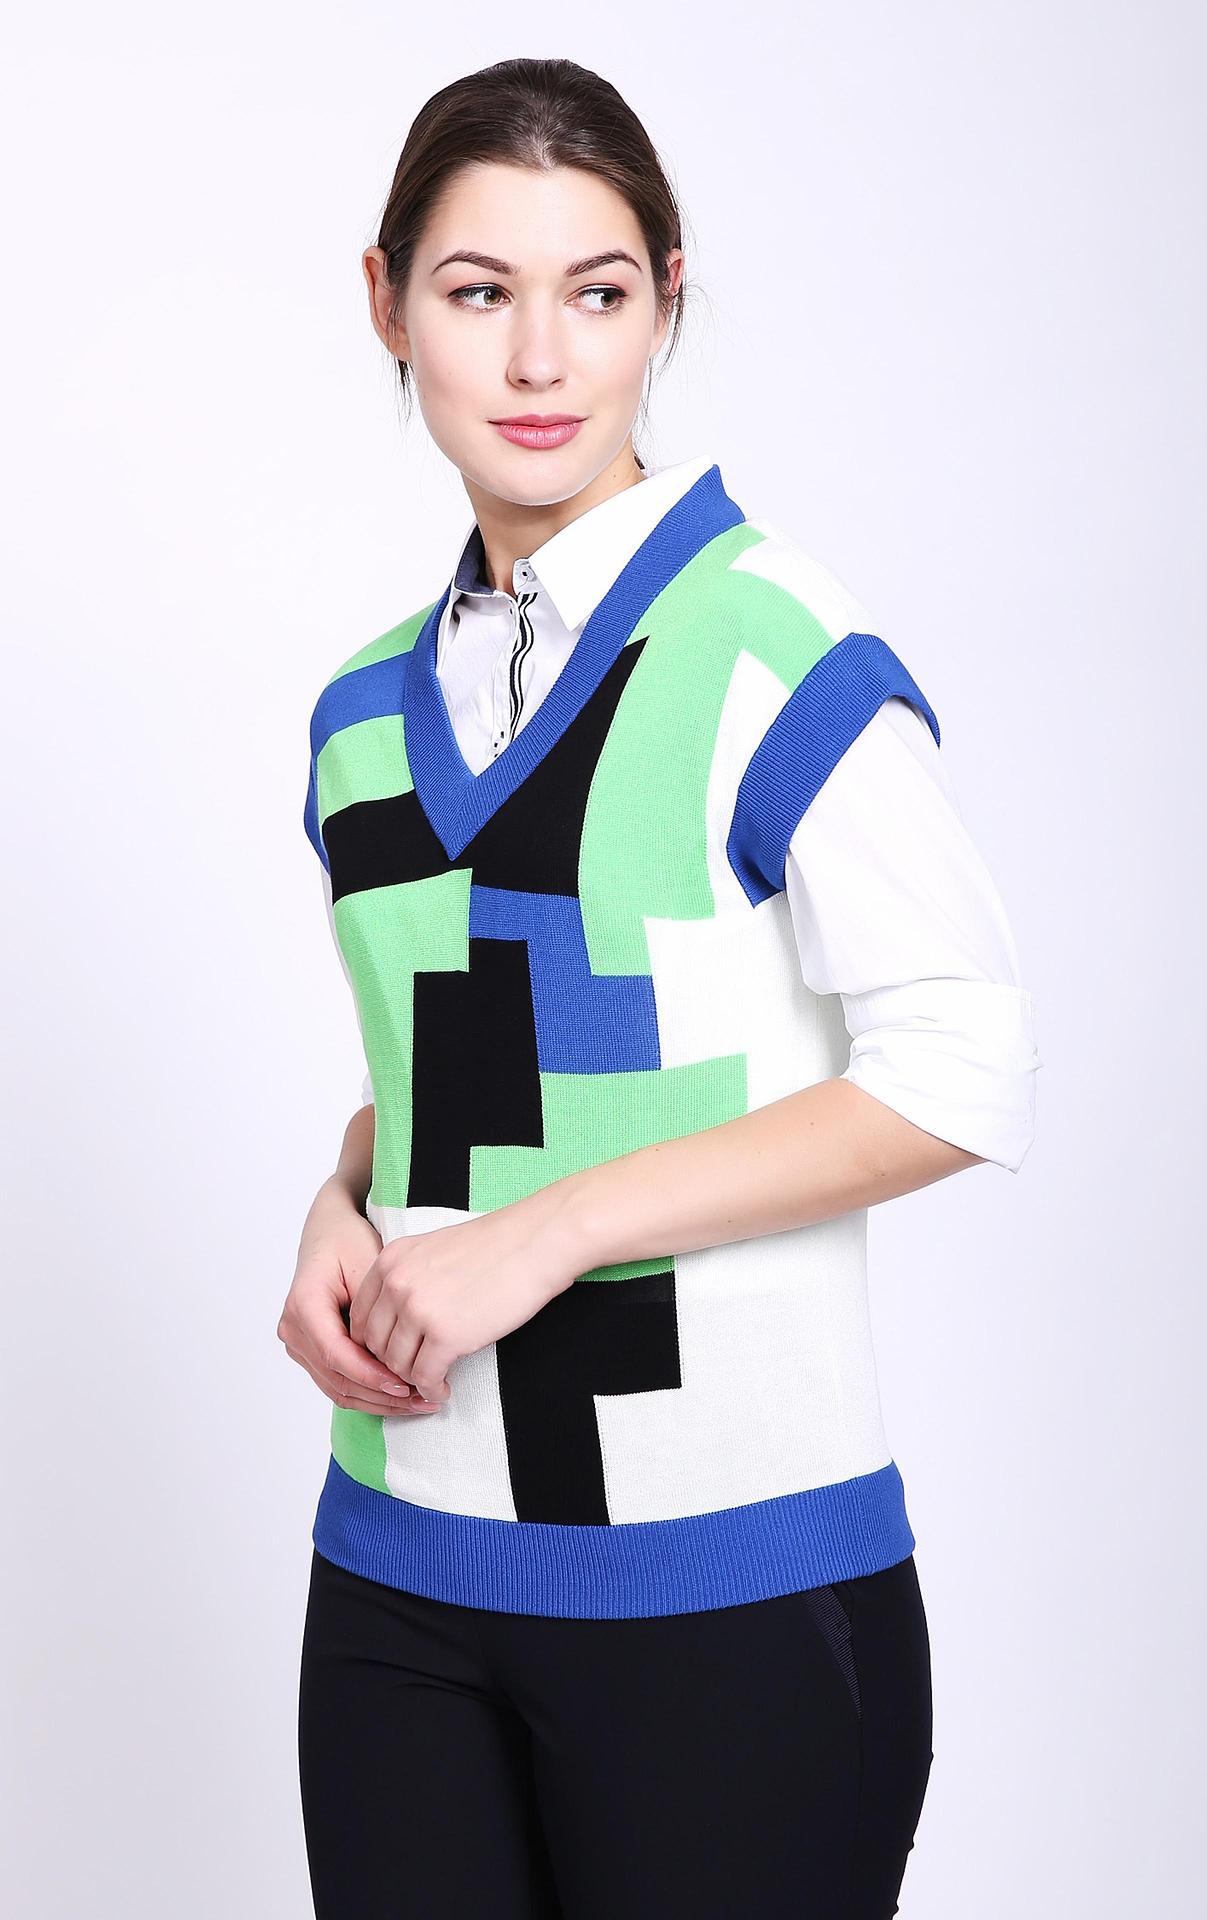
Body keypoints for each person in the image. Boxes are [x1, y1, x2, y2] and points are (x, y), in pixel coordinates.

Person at [278, 55, 1042, 1920]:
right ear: (387, 301)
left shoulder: (769, 646)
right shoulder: (361, 717)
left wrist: (547, 1241)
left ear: (666, 301)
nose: (541, 358)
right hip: (397, 1579)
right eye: (480, 291)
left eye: (598, 292)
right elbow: (486, 1062)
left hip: (731, 1592)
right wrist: (343, 1193)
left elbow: (961, 1061)